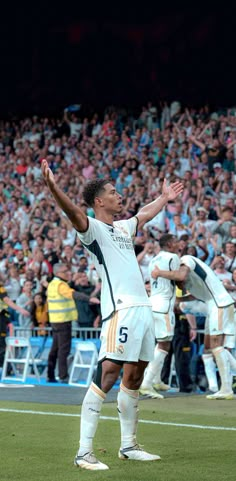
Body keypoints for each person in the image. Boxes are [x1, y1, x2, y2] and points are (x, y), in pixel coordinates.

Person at [41, 158, 183, 470]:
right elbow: (74, 213)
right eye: (113, 192)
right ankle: (83, 452)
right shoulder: (92, 230)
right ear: (98, 201)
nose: (119, 196)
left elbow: (143, 215)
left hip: (144, 309)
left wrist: (163, 198)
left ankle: (129, 446)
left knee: (135, 376)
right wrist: (53, 188)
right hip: (121, 310)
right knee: (108, 374)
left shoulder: (122, 227)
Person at [152, 254, 235, 400]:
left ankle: (226, 388)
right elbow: (192, 296)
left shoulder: (186, 260)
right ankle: (220, 386)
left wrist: (159, 273)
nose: (179, 285)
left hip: (220, 305)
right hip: (214, 306)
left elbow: (181, 275)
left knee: (216, 346)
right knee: (209, 347)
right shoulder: (189, 277)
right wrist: (176, 300)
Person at [139, 234, 180, 397]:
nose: (178, 244)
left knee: (156, 343)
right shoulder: (173, 257)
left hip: (152, 302)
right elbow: (178, 278)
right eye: (176, 241)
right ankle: (146, 383)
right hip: (164, 305)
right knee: (164, 344)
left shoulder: (153, 260)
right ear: (170, 244)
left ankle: (156, 380)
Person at [46, 263, 98, 383]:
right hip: (63, 320)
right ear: (58, 273)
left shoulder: (52, 284)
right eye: (65, 271)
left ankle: (50, 375)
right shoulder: (60, 285)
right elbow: (73, 294)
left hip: (55, 320)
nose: (68, 273)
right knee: (64, 349)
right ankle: (63, 376)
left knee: (55, 348)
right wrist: (89, 298)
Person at [0, 275, 30, 367]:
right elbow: (7, 300)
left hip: (3, 317)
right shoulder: (1, 289)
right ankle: (3, 368)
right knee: (1, 344)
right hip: (1, 318)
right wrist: (21, 309)